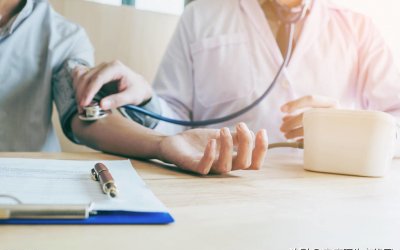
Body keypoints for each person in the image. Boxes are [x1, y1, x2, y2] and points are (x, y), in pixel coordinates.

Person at [76, 0, 400, 154]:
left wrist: (350, 127)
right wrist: (147, 100)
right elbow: (175, 120)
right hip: (219, 189)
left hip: (329, 201)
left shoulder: (359, 29)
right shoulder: (201, 16)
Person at [0, 0, 268, 175]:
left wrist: (163, 145)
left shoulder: (64, 37)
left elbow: (88, 117)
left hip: (24, 183)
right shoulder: (203, 14)